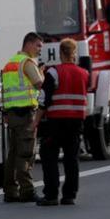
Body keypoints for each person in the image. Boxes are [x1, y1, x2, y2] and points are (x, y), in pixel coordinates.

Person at [35, 39, 89, 206]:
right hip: (76, 122)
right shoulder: (84, 74)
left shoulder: (53, 73)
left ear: (60, 54)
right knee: (71, 159)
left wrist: (35, 122)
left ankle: (51, 195)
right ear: (74, 54)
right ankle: (70, 195)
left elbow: (44, 100)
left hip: (56, 122)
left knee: (49, 156)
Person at [2, 32, 44, 203]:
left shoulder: (11, 62)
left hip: (12, 114)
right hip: (26, 113)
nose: (40, 49)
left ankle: (10, 191)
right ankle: (27, 190)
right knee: (25, 153)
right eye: (38, 45)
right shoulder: (27, 63)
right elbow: (39, 84)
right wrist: (41, 72)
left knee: (13, 154)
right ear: (28, 44)